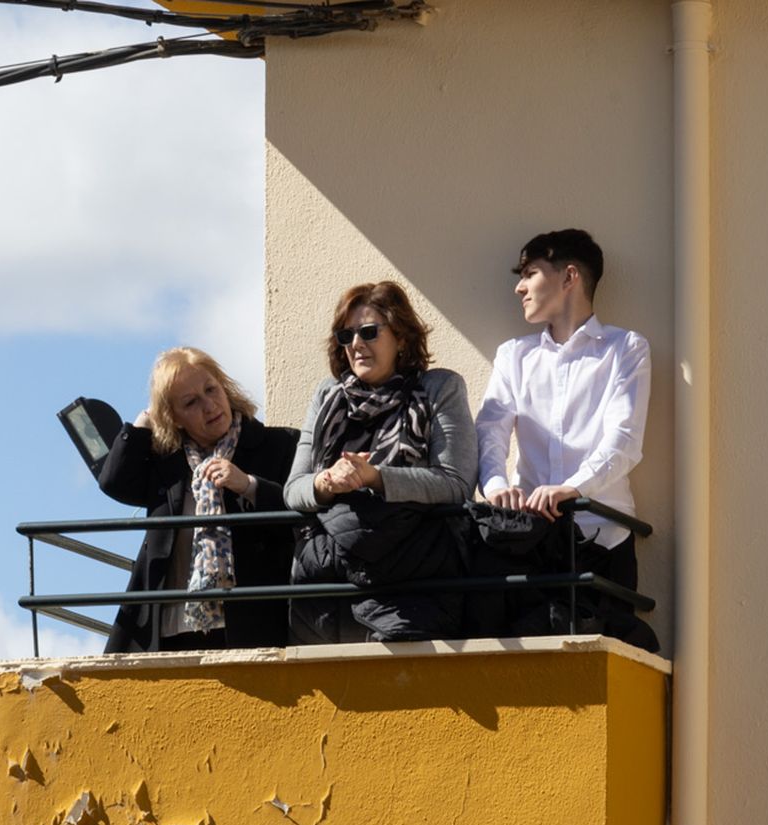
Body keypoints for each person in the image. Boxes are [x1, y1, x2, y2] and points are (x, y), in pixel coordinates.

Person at [474, 229, 657, 649]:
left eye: (530, 272)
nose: (519, 286)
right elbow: (491, 429)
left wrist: (573, 488)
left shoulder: (624, 348)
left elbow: (624, 438)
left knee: (596, 668)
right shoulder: (513, 355)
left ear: (569, 276)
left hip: (602, 538)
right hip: (528, 540)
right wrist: (498, 487)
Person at [285, 281, 477, 642]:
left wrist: (375, 478)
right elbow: (294, 489)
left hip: (410, 580)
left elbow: (457, 484)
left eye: (369, 332)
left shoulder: (438, 389)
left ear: (401, 337)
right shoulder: (328, 396)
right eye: (347, 335)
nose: (356, 344)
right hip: (330, 579)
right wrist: (326, 482)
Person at [98, 346, 298, 653]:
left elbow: (301, 516)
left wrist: (248, 485)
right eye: (191, 402)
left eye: (211, 389)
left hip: (252, 625)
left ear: (224, 386)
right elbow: (115, 483)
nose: (210, 405)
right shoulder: (168, 464)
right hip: (170, 628)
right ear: (174, 417)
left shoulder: (279, 444)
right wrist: (140, 426)